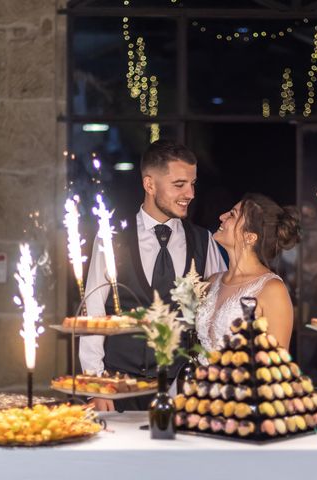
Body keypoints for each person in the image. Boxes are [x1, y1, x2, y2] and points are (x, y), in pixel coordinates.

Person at [80, 140, 226, 411]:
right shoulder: (112, 239)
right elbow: (94, 314)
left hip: (183, 392)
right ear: (150, 185)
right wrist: (96, 384)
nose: (190, 193)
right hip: (118, 387)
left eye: (193, 184)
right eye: (179, 184)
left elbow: (215, 316)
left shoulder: (204, 241)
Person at [196, 193, 301, 352]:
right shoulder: (211, 282)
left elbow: (279, 364)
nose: (222, 216)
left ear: (249, 237)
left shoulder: (272, 289)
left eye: (232, 214)